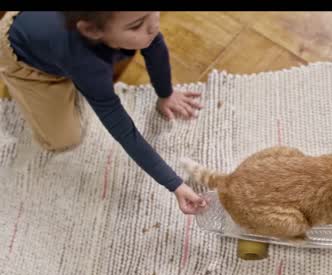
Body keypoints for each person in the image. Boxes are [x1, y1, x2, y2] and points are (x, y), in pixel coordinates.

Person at [0, 11, 206, 214]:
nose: (153, 25)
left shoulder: (139, 23)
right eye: (136, 25)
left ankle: (68, 72)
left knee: (96, 69)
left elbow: (155, 45)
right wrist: (175, 184)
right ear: (92, 30)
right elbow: (123, 130)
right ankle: (36, 80)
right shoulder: (87, 63)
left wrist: (165, 94)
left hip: (52, 37)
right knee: (62, 140)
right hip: (20, 56)